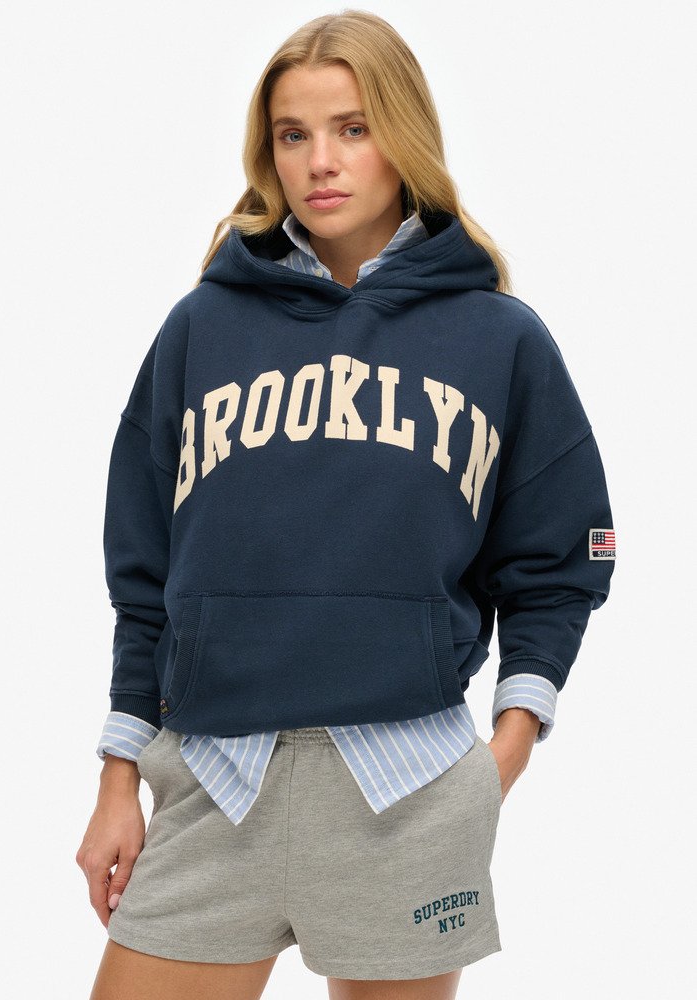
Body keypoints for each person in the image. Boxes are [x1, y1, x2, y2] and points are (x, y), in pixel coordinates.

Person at [77, 11, 617, 1000]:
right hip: (213, 785)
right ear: (268, 151)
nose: (320, 161)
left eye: (353, 128)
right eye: (293, 134)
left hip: (406, 794)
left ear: (402, 138)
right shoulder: (200, 329)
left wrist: (499, 758)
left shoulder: (500, 339)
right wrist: (118, 776)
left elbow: (557, 566)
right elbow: (144, 577)